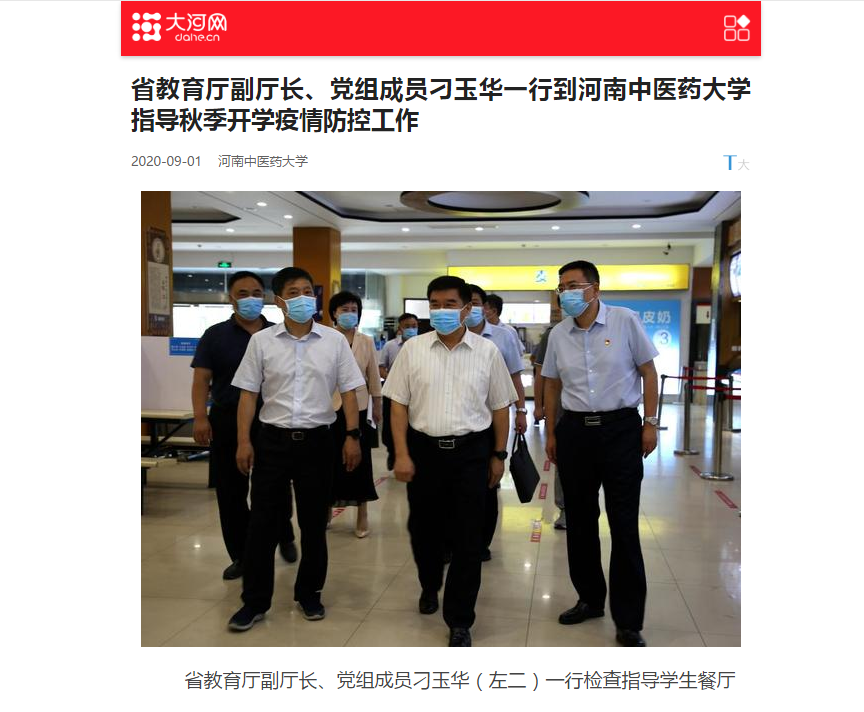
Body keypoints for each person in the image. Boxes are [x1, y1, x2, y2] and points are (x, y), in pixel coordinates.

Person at [226, 267, 366, 631]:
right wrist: (244, 441)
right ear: (279, 301)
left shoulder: (334, 341)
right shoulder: (262, 342)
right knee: (262, 525)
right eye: (293, 292)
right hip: (272, 442)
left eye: (307, 290)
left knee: (314, 524)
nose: (303, 297)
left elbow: (350, 390)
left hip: (318, 442)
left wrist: (352, 436)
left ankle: (309, 593)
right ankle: (254, 601)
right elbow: (248, 395)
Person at [383, 275, 516, 647]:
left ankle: (460, 619)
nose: (441, 311)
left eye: (450, 304)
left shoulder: (487, 352)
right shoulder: (413, 350)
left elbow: (500, 407)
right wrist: (402, 454)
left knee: (468, 537)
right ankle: (429, 584)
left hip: (471, 452)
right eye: (435, 304)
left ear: (467, 308)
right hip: (423, 451)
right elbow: (398, 406)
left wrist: (499, 454)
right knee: (424, 531)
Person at [542, 260, 659, 648]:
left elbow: (648, 372)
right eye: (562, 287)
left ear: (595, 288)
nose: (567, 293)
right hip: (575, 431)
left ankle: (629, 619)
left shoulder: (624, 321)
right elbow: (552, 384)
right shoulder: (559, 334)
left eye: (574, 285)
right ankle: (590, 599)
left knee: (623, 523)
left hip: (620, 429)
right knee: (579, 521)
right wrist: (551, 432)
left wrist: (650, 423)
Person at [190, 271, 297, 581]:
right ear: (231, 299)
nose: (250, 299)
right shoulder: (215, 335)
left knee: (275, 486)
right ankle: (242, 555)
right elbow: (201, 380)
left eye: (256, 293)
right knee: (230, 492)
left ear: (265, 297)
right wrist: (200, 417)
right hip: (226, 419)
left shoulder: (279, 333)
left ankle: (284, 532)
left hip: (270, 419)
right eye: (242, 293)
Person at [465, 284, 528, 560]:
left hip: (492, 420)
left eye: (476, 302)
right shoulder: (448, 336)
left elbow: (515, 376)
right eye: (466, 303)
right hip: (460, 420)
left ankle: (481, 542)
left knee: (487, 484)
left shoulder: (503, 337)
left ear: (484, 306)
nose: (471, 308)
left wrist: (521, 410)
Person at [329, 291, 383, 538]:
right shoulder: (326, 338)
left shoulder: (366, 341)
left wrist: (377, 405)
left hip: (360, 408)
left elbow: (374, 376)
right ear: (334, 313)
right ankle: (328, 505)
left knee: (360, 462)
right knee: (331, 460)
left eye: (354, 310)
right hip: (330, 407)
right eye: (344, 309)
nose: (349, 314)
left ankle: (362, 513)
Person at [531, 309, 567, 530]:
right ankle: (564, 509)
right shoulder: (553, 334)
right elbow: (541, 374)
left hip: (594, 412)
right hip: (562, 410)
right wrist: (538, 405)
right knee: (563, 462)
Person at [378, 312, 419, 471]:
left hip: (416, 393)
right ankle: (392, 452)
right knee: (390, 425)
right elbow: (381, 367)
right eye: (407, 326)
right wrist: (393, 379)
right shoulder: (390, 346)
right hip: (394, 392)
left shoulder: (423, 345)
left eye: (414, 326)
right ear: (400, 328)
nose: (411, 329)